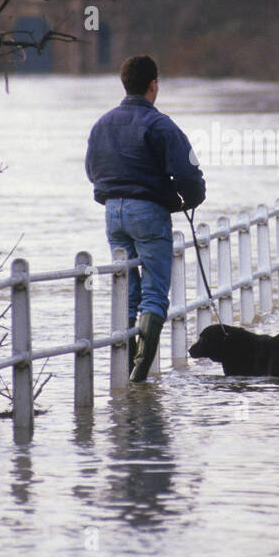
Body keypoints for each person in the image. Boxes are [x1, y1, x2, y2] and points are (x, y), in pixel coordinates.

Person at [85, 55, 206, 382]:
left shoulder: (102, 125)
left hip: (113, 213)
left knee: (126, 288)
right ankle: (140, 376)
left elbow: (91, 172)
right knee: (154, 292)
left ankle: (122, 370)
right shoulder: (161, 125)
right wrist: (186, 201)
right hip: (149, 212)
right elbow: (189, 174)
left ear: (124, 83)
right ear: (154, 84)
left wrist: (109, 198)